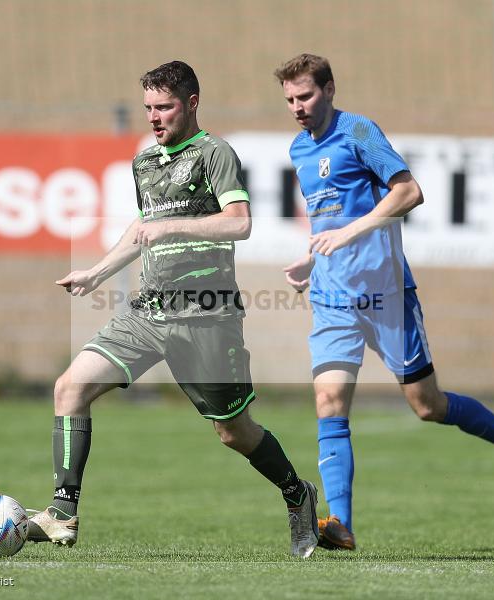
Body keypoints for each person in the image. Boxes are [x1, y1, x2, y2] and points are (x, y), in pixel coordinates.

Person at [27, 60, 319, 558]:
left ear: (192, 103)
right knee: (69, 387)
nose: (155, 118)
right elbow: (144, 227)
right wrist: (96, 272)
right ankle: (62, 512)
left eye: (164, 107)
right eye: (148, 109)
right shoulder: (145, 163)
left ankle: (297, 494)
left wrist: (174, 227)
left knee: (233, 432)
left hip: (207, 315)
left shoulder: (214, 153)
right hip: (149, 310)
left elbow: (239, 223)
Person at [273, 53, 494, 551]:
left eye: (306, 95)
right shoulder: (298, 148)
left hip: (387, 297)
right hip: (333, 300)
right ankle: (340, 523)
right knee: (329, 401)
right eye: (291, 98)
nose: (297, 106)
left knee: (428, 406)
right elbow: (330, 220)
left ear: (330, 89)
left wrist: (351, 231)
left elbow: (409, 191)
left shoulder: (358, 132)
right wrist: (311, 262)